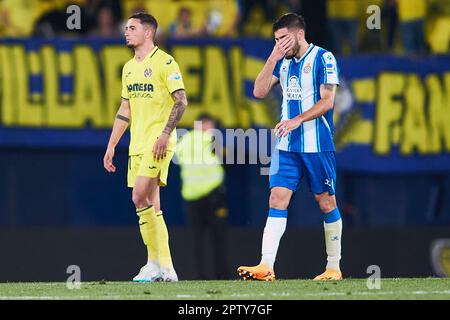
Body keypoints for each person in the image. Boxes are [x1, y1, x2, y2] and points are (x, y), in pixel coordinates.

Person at [237, 13, 343, 281]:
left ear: (298, 34)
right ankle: (266, 265)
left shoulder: (323, 58)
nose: (280, 43)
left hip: (317, 143)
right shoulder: (281, 62)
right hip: (287, 145)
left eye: (283, 38)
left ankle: (333, 266)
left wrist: (297, 119)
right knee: (276, 198)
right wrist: (273, 56)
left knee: (325, 202)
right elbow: (258, 92)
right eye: (276, 39)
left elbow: (328, 101)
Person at [103, 12, 188, 282]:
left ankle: (153, 263)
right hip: (136, 145)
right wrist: (112, 145)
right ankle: (166, 268)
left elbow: (181, 101)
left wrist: (164, 134)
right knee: (153, 205)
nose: (126, 31)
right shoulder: (128, 68)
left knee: (138, 197)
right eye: (126, 27)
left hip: (158, 143)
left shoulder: (165, 62)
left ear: (148, 33)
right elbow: (124, 109)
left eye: (132, 28)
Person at [176, 114, 229, 279]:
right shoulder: (210, 139)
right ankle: (221, 276)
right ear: (201, 125)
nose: (212, 130)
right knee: (219, 239)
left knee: (196, 241)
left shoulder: (183, 142)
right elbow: (225, 155)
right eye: (210, 126)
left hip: (190, 197)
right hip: (213, 196)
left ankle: (198, 276)